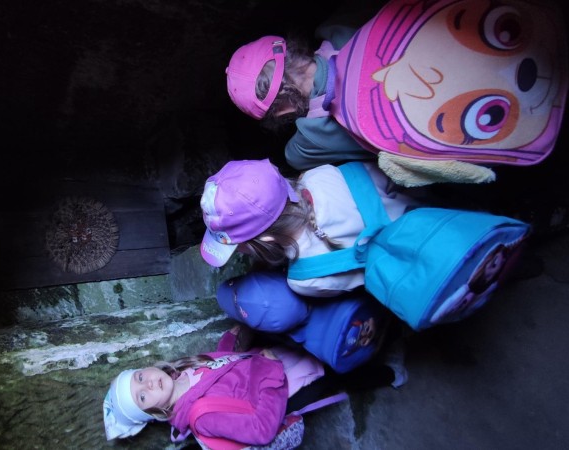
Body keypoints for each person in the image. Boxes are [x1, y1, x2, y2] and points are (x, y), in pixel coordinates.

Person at [103, 325, 406, 444]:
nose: (148, 384)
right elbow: (261, 430)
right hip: (288, 389)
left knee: (325, 352)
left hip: (269, 366)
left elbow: (220, 370)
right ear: (154, 413)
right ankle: (391, 374)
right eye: (142, 397)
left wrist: (228, 342)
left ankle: (373, 337)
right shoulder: (202, 417)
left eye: (138, 377)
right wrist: (272, 372)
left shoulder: (182, 371)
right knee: (338, 376)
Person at [200, 158, 421, 297]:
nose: (239, 252)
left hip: (420, 261)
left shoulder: (305, 278)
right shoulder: (320, 174)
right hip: (426, 201)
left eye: (236, 245)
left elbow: (364, 285)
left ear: (267, 239)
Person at [225, 1, 386, 171]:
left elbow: (294, 157)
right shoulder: (339, 24)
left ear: (283, 111)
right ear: (290, 47)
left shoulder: (308, 142)